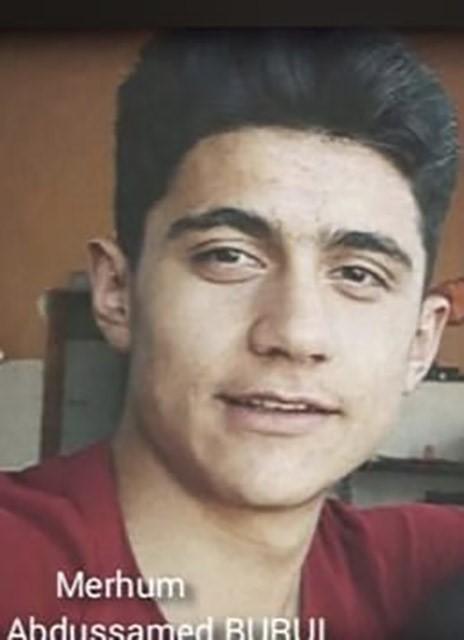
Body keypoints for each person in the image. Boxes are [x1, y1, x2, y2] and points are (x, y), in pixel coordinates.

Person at [1, 28, 464, 640]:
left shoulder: (416, 570)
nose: (295, 333)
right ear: (116, 292)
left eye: (358, 274)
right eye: (228, 256)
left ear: (421, 342)